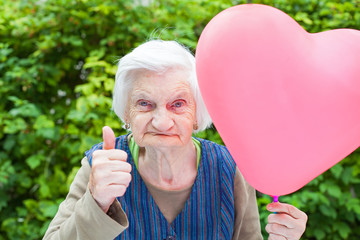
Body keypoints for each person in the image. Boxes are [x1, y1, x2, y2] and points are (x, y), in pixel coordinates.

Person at [43, 40, 307, 240]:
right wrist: (97, 202)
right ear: (126, 112)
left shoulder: (231, 167)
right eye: (144, 103)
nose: (161, 121)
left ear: (197, 113)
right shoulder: (101, 165)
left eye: (178, 104)